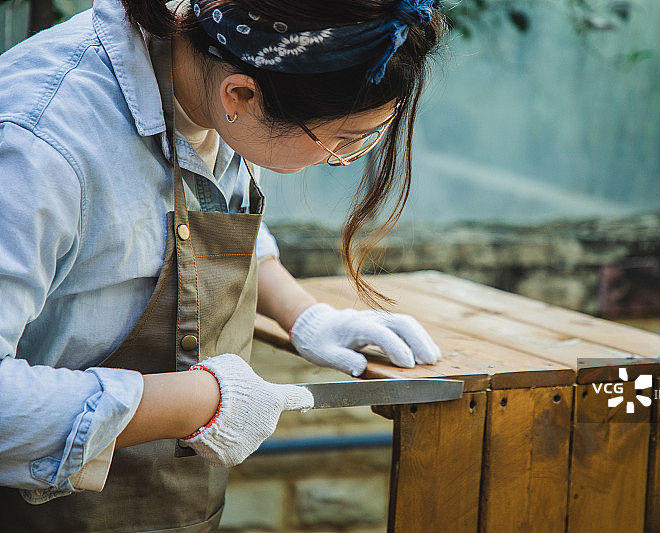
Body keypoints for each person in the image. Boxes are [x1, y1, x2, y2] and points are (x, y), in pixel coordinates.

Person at [0, 0, 446, 530]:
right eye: (343, 142)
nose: (339, 159)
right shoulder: (39, 146)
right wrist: (195, 403)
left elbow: (201, 215)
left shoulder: (218, 74)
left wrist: (303, 315)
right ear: (240, 94)